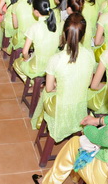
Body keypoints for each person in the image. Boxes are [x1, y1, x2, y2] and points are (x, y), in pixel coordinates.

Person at [31, 13, 95, 142]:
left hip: (60, 106)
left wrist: (58, 86)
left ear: (64, 33)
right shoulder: (90, 55)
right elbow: (88, 83)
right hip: (80, 104)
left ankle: (38, 121)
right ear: (83, 35)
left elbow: (49, 88)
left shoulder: (56, 59)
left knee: (45, 93)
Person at [13, 0, 60, 81]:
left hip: (38, 67)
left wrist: (26, 59)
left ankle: (32, 83)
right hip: (53, 65)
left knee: (16, 63)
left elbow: (25, 52)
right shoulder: (56, 26)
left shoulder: (34, 27)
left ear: (36, 12)